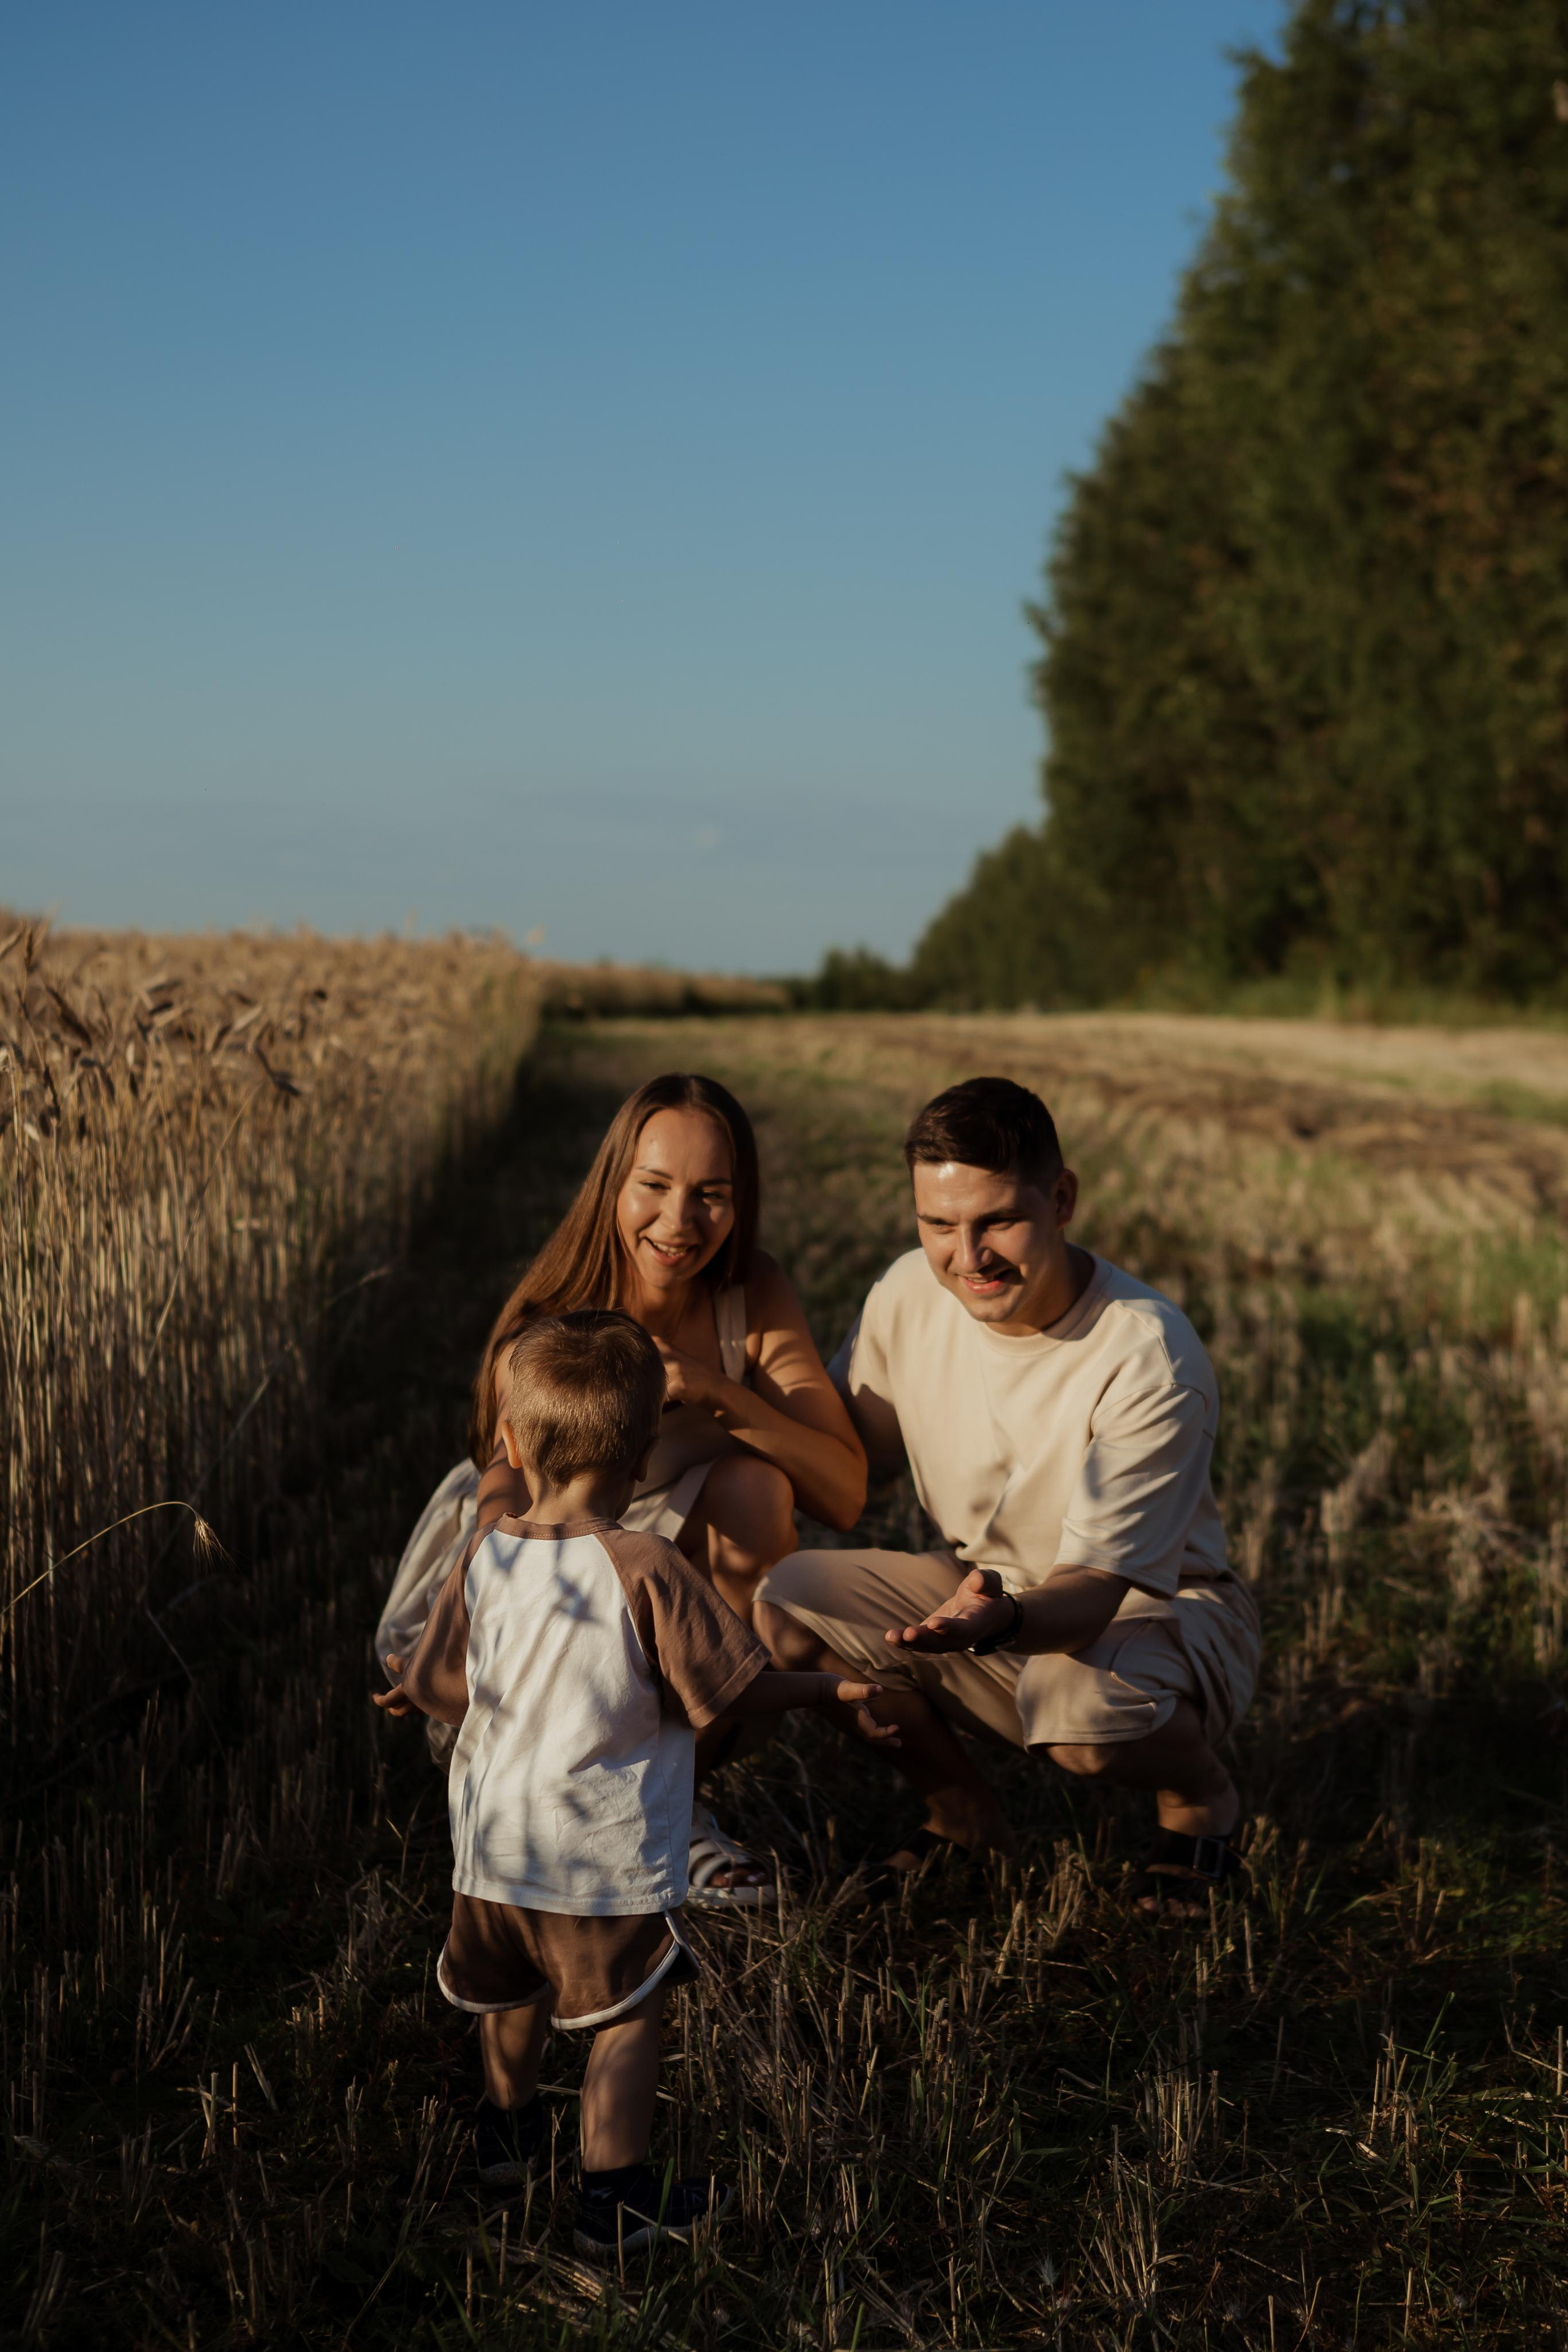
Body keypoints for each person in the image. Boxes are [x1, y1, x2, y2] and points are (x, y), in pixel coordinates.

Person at [375, 1309, 894, 2250]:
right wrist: (825, 1687)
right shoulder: (645, 1565)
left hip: (489, 1855)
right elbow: (723, 1694)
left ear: (515, 1440)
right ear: (646, 1448)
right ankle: (615, 2202)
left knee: (511, 1998)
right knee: (625, 2020)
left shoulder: (484, 1549)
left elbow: (442, 1681)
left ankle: (504, 2136)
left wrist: (409, 1695)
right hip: (595, 1864)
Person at [755, 1076, 1261, 1917]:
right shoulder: (908, 1293)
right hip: (983, 1594)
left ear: (1061, 1199)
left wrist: (1007, 1622)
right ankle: (963, 1816)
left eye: (998, 1221)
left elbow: (1096, 1593)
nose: (967, 1257)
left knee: (1075, 1712)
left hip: (1158, 1611)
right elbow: (843, 1466)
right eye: (938, 1226)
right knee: (788, 1599)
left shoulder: (1145, 1355)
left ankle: (1202, 1799)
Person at [377, 1071, 867, 1907]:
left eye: (712, 1194)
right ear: (614, 1184)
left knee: (757, 1492)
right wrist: (473, 1609)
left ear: (742, 1200)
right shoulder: (557, 1318)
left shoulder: (752, 1294)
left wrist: (714, 1390)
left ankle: (681, 1805)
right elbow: (507, 1485)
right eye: (655, 1187)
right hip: (556, 1556)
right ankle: (549, 1775)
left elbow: (844, 1491)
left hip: (677, 1569)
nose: (681, 1223)